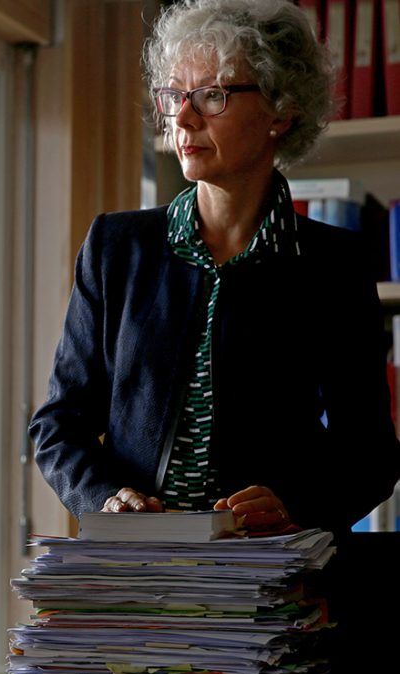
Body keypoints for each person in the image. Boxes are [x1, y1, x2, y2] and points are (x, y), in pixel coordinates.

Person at [30, 0, 400, 536]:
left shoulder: (333, 265)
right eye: (175, 94)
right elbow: (59, 426)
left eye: (212, 94)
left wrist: (295, 508)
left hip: (268, 573)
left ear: (281, 108)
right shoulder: (116, 247)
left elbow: (369, 455)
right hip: (138, 564)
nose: (182, 117)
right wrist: (106, 499)